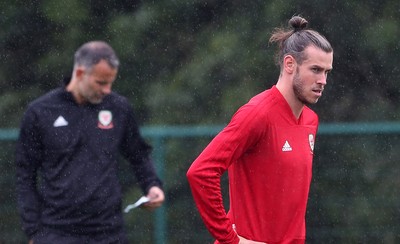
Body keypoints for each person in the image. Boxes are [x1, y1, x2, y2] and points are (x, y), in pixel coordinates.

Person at [186, 15, 333, 244]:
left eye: (326, 72)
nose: (323, 80)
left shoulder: (310, 120)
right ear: (289, 64)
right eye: (315, 69)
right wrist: (231, 239)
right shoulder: (257, 114)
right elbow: (201, 172)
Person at [15, 41, 165, 244]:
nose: (107, 90)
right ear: (79, 73)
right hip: (58, 233)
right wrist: (33, 231)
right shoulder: (40, 112)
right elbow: (25, 175)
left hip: (109, 231)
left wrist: (152, 185)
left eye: (110, 82)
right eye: (100, 83)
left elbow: (138, 154)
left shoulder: (118, 108)